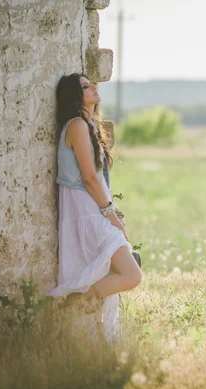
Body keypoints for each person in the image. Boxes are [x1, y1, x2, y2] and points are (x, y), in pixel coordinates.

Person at [48, 73, 142, 339]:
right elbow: (89, 178)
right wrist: (112, 215)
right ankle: (74, 304)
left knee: (117, 270)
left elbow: (98, 179)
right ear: (75, 96)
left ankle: (83, 315)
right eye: (85, 87)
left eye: (91, 84)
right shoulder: (77, 125)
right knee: (131, 274)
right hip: (85, 211)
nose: (92, 88)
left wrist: (114, 213)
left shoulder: (88, 126)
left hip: (93, 209)